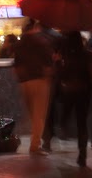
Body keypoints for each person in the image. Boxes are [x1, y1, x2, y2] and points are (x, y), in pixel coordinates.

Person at [55, 30, 92, 168]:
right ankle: (82, 154)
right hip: (85, 92)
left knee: (66, 116)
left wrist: (58, 63)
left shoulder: (67, 57)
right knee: (82, 123)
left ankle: (64, 130)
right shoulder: (89, 55)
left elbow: (61, 75)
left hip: (70, 92)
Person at [13, 18, 55, 154]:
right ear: (36, 28)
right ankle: (35, 145)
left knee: (32, 114)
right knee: (39, 115)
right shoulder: (42, 42)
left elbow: (16, 65)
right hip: (39, 81)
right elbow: (49, 65)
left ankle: (35, 142)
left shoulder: (20, 44)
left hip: (24, 82)